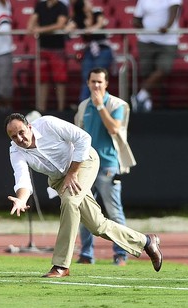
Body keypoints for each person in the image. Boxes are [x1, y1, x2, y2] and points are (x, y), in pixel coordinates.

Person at [4, 113, 162, 278]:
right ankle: (146, 242)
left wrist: (73, 172)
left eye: (21, 132)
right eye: (14, 136)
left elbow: (83, 138)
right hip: (59, 180)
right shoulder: (15, 151)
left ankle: (61, 265)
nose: (20, 138)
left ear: (29, 127)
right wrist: (21, 200)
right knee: (97, 225)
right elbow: (22, 179)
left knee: (70, 202)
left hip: (83, 162)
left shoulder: (47, 124)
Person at [73, 67, 136, 266]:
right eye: (93, 82)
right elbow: (78, 135)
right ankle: (86, 254)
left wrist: (101, 106)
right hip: (87, 165)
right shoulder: (84, 106)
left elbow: (114, 128)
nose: (96, 85)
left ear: (107, 83)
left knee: (114, 211)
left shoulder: (117, 104)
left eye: (100, 82)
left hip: (108, 165)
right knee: (84, 211)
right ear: (88, 83)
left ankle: (121, 254)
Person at [131, 0, 182, 112]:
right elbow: (137, 17)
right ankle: (146, 101)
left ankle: (140, 96)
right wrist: (137, 23)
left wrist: (167, 26)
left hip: (168, 41)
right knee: (146, 72)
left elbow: (174, 11)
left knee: (164, 68)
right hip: (146, 40)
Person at [65, 0, 113, 102]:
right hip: (89, 50)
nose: (91, 3)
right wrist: (73, 26)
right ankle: (84, 104)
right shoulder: (79, 18)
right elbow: (68, 28)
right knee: (87, 77)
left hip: (103, 48)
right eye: (87, 3)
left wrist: (90, 28)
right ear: (83, 7)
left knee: (99, 76)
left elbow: (100, 24)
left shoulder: (97, 14)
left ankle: (100, 103)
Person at [27, 0, 68, 112]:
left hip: (57, 49)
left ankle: (61, 109)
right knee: (42, 79)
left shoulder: (62, 6)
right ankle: (41, 109)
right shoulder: (40, 5)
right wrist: (33, 27)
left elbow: (60, 24)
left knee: (60, 80)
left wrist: (40, 30)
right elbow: (31, 24)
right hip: (43, 48)